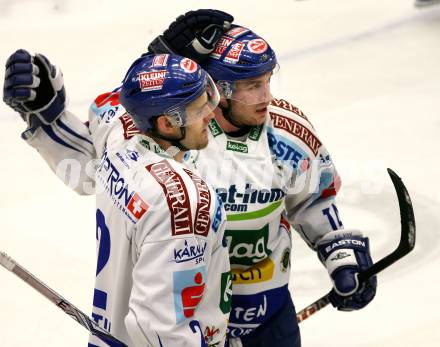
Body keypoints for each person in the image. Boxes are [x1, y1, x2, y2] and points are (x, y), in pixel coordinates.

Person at [3, 10, 377, 347]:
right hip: (189, 319)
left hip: (267, 314)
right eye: (251, 86)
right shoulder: (174, 134)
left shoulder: (286, 130)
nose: (266, 96)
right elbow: (93, 166)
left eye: (267, 81)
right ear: (220, 87)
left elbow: (314, 198)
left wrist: (338, 253)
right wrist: (49, 121)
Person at [4, 51, 232, 347]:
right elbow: (161, 331)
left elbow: (85, 173)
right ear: (166, 124)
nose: (211, 115)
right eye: (199, 109)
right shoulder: (181, 201)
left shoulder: (118, 132)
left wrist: (48, 118)